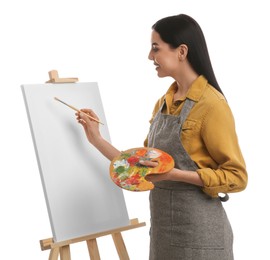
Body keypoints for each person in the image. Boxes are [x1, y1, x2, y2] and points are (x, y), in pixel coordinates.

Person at [76, 13, 247, 260]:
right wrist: (96, 139)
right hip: (164, 234)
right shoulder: (164, 103)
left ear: (181, 51)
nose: (150, 56)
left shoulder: (212, 105)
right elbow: (140, 166)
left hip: (200, 235)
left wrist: (174, 175)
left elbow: (237, 176)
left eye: (155, 48)